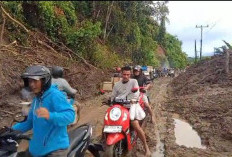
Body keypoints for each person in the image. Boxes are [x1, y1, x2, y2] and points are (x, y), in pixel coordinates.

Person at [12, 65, 75, 157]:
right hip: (37, 149)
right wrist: (10, 130)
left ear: (44, 81)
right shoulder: (37, 99)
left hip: (55, 150)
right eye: (30, 81)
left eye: (35, 81)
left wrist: (50, 115)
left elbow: (70, 115)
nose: (32, 84)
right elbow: (29, 122)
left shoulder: (55, 95)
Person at [111, 66, 151, 157]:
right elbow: (113, 96)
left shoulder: (134, 82)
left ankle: (146, 147)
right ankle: (104, 141)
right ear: (121, 74)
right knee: (108, 121)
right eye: (124, 74)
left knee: (135, 125)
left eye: (128, 74)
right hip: (119, 108)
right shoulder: (117, 84)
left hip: (131, 106)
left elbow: (136, 93)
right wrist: (111, 100)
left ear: (130, 74)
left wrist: (133, 99)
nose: (126, 76)